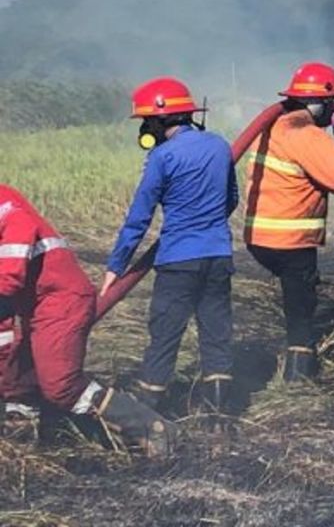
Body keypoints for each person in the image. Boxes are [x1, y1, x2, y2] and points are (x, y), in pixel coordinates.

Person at [100, 77, 239, 414]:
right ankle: (219, 416)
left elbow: (139, 218)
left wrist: (115, 267)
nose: (146, 127)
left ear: (162, 119)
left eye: (148, 120)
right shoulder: (220, 145)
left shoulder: (162, 157)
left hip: (178, 261)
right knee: (216, 333)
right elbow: (231, 198)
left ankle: (149, 414)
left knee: (164, 334)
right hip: (219, 255)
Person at [0, 185, 175, 455]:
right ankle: (26, 449)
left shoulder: (9, 212)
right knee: (16, 380)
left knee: (60, 385)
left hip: (60, 301)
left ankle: (150, 427)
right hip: (33, 305)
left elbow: (6, 284)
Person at [244, 62, 334, 380]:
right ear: (319, 104)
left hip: (258, 236)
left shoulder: (275, 125)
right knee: (301, 305)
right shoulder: (305, 134)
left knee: (299, 290)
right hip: (290, 240)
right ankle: (299, 375)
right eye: (330, 104)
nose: (332, 110)